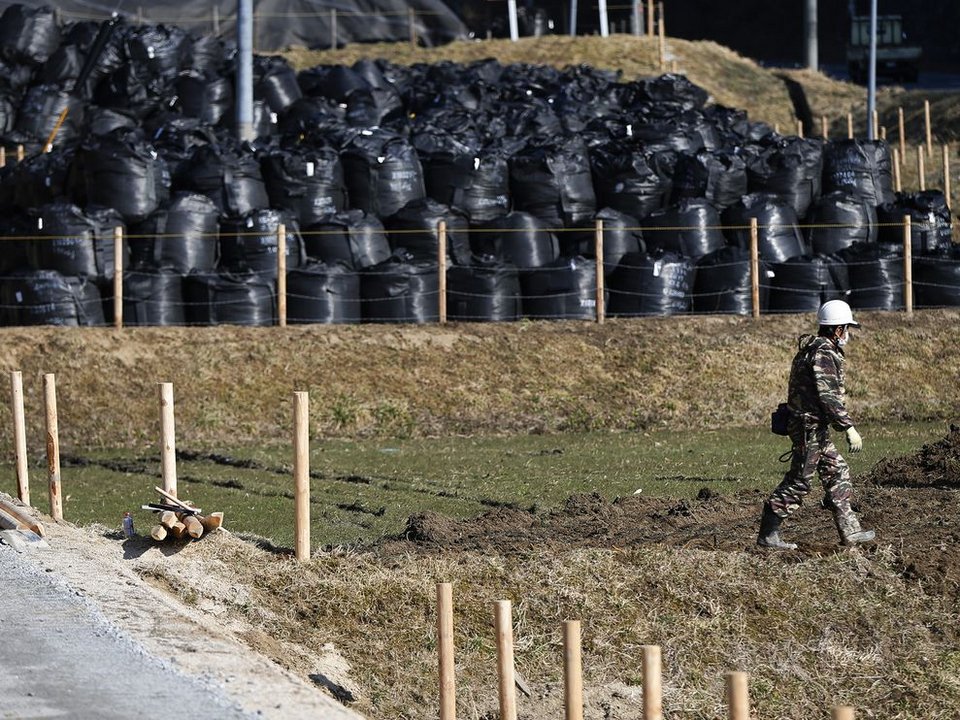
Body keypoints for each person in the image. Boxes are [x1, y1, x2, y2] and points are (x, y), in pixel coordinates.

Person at [758, 299, 876, 550]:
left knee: (837, 472)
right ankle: (768, 535)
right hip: (809, 428)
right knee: (799, 481)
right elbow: (828, 396)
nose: (848, 334)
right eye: (846, 329)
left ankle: (850, 531)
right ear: (838, 329)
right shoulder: (823, 354)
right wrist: (848, 427)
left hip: (812, 427)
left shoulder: (811, 350)